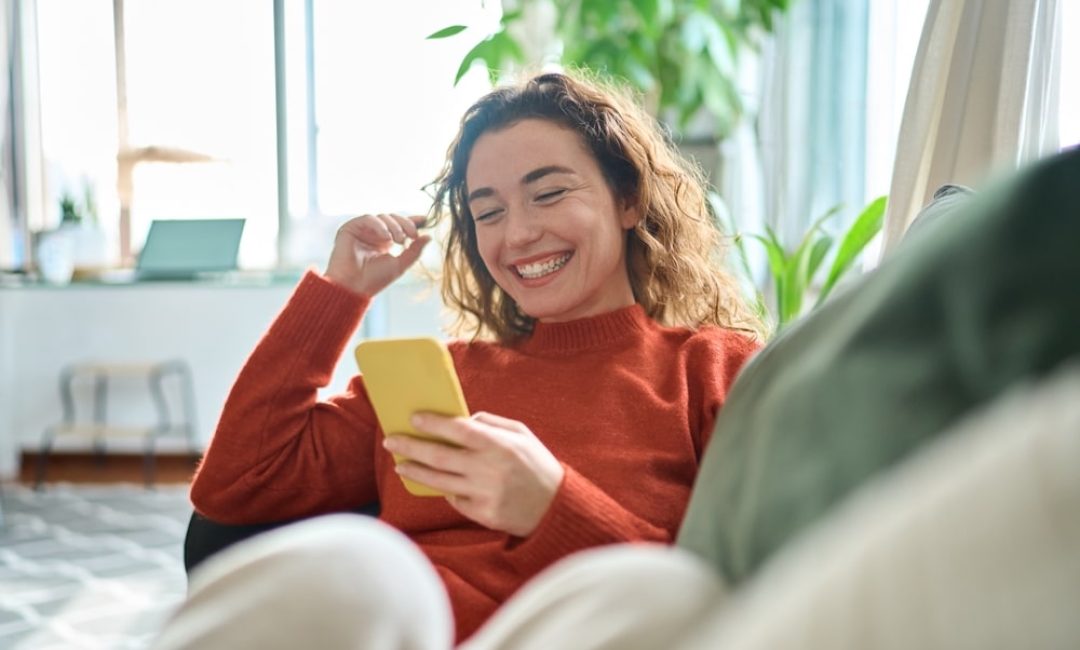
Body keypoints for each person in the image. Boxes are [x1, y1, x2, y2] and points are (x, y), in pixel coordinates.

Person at [155, 71, 762, 648]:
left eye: (548, 193)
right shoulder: (440, 380)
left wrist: (553, 507)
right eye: (488, 212)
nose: (517, 235)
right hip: (412, 633)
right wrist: (339, 294)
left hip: (586, 633)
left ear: (628, 199)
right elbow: (234, 488)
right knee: (362, 562)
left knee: (669, 588)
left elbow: (735, 595)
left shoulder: (714, 371)